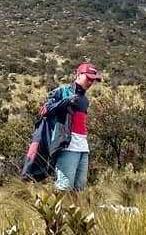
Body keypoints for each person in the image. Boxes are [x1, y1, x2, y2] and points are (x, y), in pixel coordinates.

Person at [20, 63, 102, 192]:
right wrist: (66, 101)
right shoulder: (62, 92)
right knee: (64, 187)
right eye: (89, 78)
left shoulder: (85, 100)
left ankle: (74, 210)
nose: (91, 82)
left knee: (79, 188)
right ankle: (56, 211)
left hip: (83, 147)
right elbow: (45, 110)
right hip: (67, 146)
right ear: (78, 75)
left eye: (93, 80)